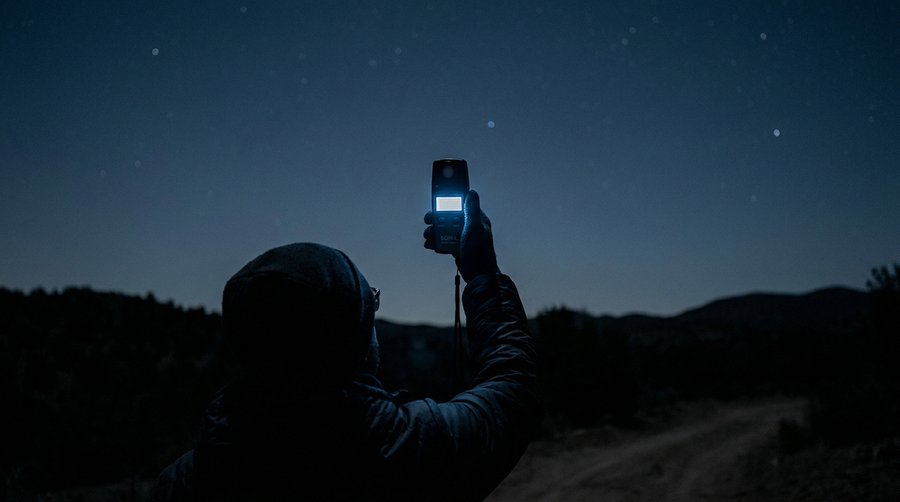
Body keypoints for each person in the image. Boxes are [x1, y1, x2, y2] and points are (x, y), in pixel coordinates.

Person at [151, 190, 540, 501]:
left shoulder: (180, 483)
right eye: (369, 304)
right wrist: (482, 273)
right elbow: (512, 391)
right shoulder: (403, 454)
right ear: (347, 336)